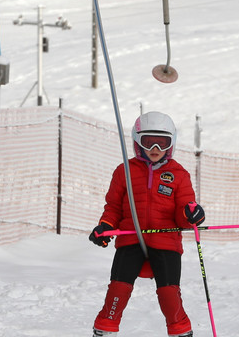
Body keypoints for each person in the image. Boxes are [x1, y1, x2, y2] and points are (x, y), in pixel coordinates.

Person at [88, 111, 205, 337]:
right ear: (137, 142)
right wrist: (105, 227)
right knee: (118, 287)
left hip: (166, 241)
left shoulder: (179, 175)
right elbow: (112, 207)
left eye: (162, 143)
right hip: (131, 237)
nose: (155, 149)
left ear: (171, 144)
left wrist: (192, 214)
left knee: (168, 292)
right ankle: (105, 326)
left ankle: (180, 328)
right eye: (149, 142)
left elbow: (184, 213)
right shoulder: (125, 171)